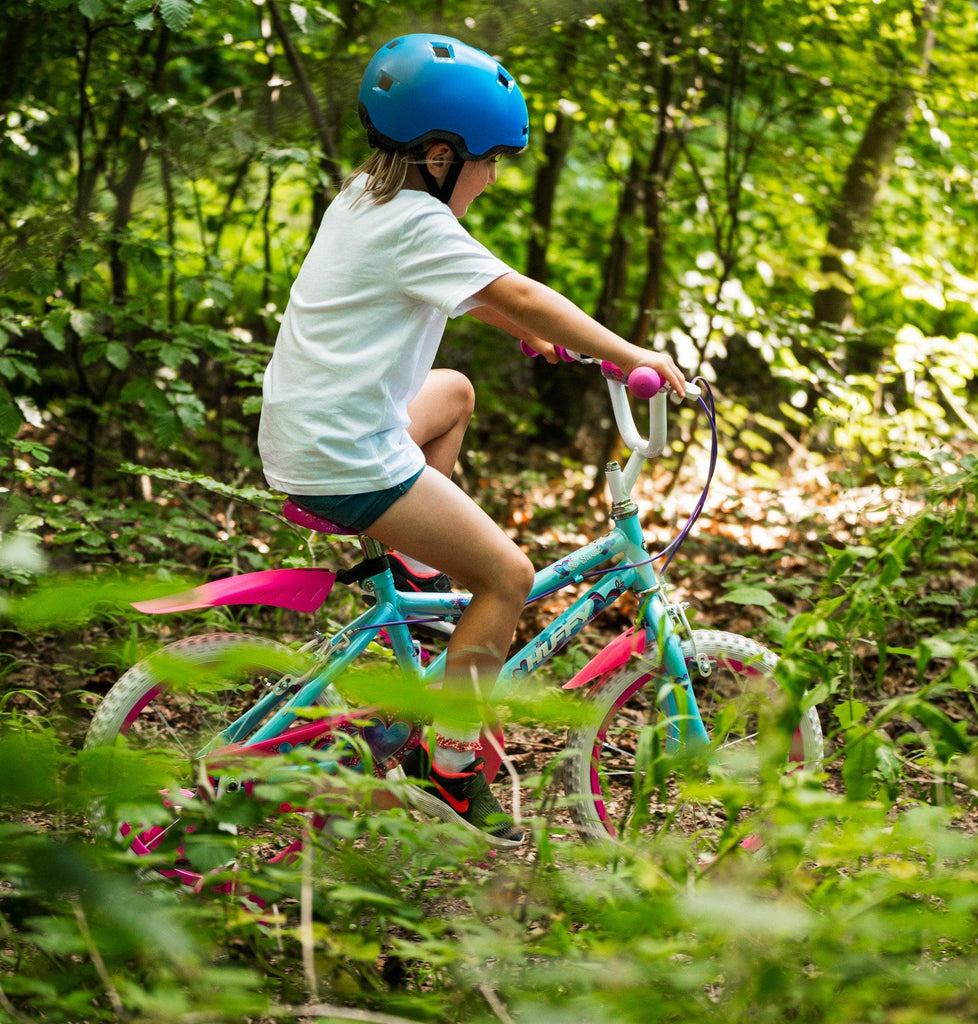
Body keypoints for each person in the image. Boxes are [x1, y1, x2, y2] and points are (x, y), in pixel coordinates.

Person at [258, 33, 686, 847]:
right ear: (441, 154)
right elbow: (518, 291)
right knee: (509, 576)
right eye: (490, 161)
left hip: (311, 430)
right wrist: (631, 355)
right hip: (346, 456)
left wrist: (524, 332)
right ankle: (450, 769)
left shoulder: (366, 200)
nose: (493, 178)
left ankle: (418, 580)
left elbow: (475, 296)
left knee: (452, 392)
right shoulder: (418, 223)